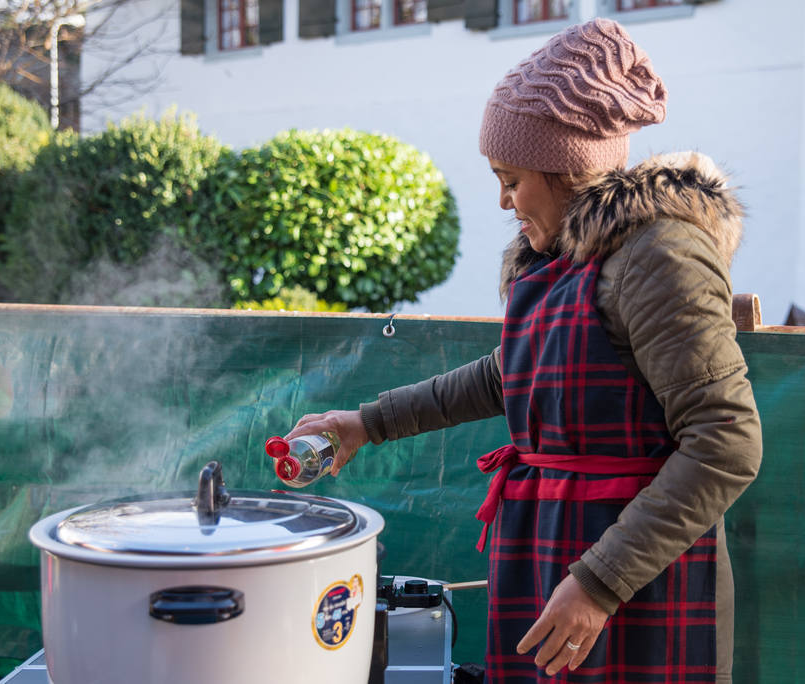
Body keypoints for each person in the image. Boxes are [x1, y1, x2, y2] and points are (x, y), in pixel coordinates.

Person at [286, 18, 762, 684]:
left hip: (639, 585)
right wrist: (367, 424)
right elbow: (512, 374)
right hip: (555, 555)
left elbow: (726, 443)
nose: (504, 200)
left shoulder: (663, 257)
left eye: (511, 177)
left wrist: (599, 584)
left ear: (566, 167)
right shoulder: (561, 257)